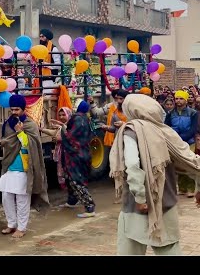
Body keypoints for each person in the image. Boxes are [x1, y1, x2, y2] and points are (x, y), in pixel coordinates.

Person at [109, 94, 200, 255]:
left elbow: (132, 164)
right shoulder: (166, 132)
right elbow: (191, 161)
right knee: (169, 248)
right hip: (166, 201)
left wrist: (141, 197)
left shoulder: (130, 130)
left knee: (130, 248)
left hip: (136, 206)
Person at [0, 94, 49, 238]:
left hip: (24, 167)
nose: (14, 112)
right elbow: (6, 141)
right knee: (6, 197)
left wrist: (20, 133)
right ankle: (11, 224)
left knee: (22, 199)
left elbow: (31, 144)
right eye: (12, 109)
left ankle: (22, 227)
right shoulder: (8, 124)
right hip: (9, 165)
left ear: (23, 109)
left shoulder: (30, 125)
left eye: (17, 109)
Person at [59, 100, 96, 218]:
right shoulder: (86, 119)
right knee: (70, 178)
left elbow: (70, 136)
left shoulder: (77, 119)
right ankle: (72, 201)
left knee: (76, 180)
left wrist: (62, 129)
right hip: (84, 153)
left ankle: (90, 208)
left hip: (75, 155)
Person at [164, 90, 198, 197]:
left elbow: (193, 129)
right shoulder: (170, 113)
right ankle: (182, 188)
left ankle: (191, 189)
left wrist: (182, 138)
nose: (178, 101)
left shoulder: (193, 113)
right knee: (179, 166)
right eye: (177, 98)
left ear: (186, 100)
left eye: (181, 98)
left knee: (188, 164)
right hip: (174, 143)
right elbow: (166, 127)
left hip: (189, 142)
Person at [40, 106, 72, 190]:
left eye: (63, 115)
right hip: (61, 152)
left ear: (68, 115)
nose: (61, 117)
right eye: (60, 115)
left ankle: (71, 190)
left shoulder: (72, 126)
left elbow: (73, 138)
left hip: (69, 154)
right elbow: (55, 133)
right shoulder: (61, 126)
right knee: (60, 170)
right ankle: (65, 187)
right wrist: (42, 130)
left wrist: (61, 139)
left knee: (68, 171)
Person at [38, 28, 61, 94]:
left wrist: (47, 64)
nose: (40, 38)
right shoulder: (40, 49)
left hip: (50, 79)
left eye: (42, 37)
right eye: (40, 36)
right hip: (40, 77)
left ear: (47, 38)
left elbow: (58, 66)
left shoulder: (54, 49)